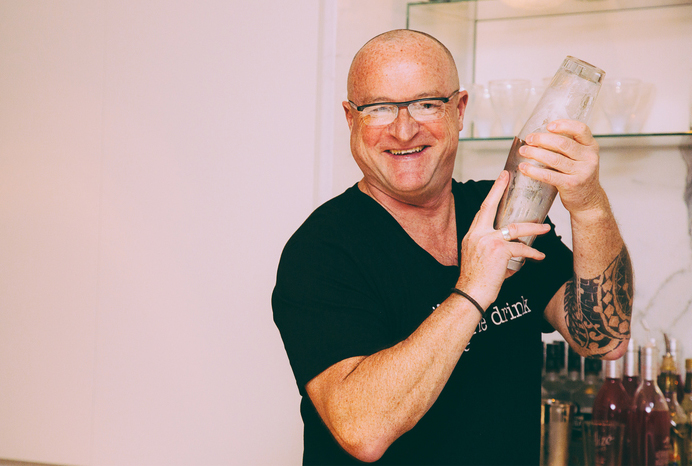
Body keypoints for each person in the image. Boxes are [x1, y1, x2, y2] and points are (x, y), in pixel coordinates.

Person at [273, 29, 633, 465]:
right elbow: (362, 430)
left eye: (427, 104)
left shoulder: (504, 211)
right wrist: (473, 289)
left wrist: (589, 205)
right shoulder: (322, 250)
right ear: (351, 119)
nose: (404, 131)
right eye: (380, 108)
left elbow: (603, 338)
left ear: (459, 110)